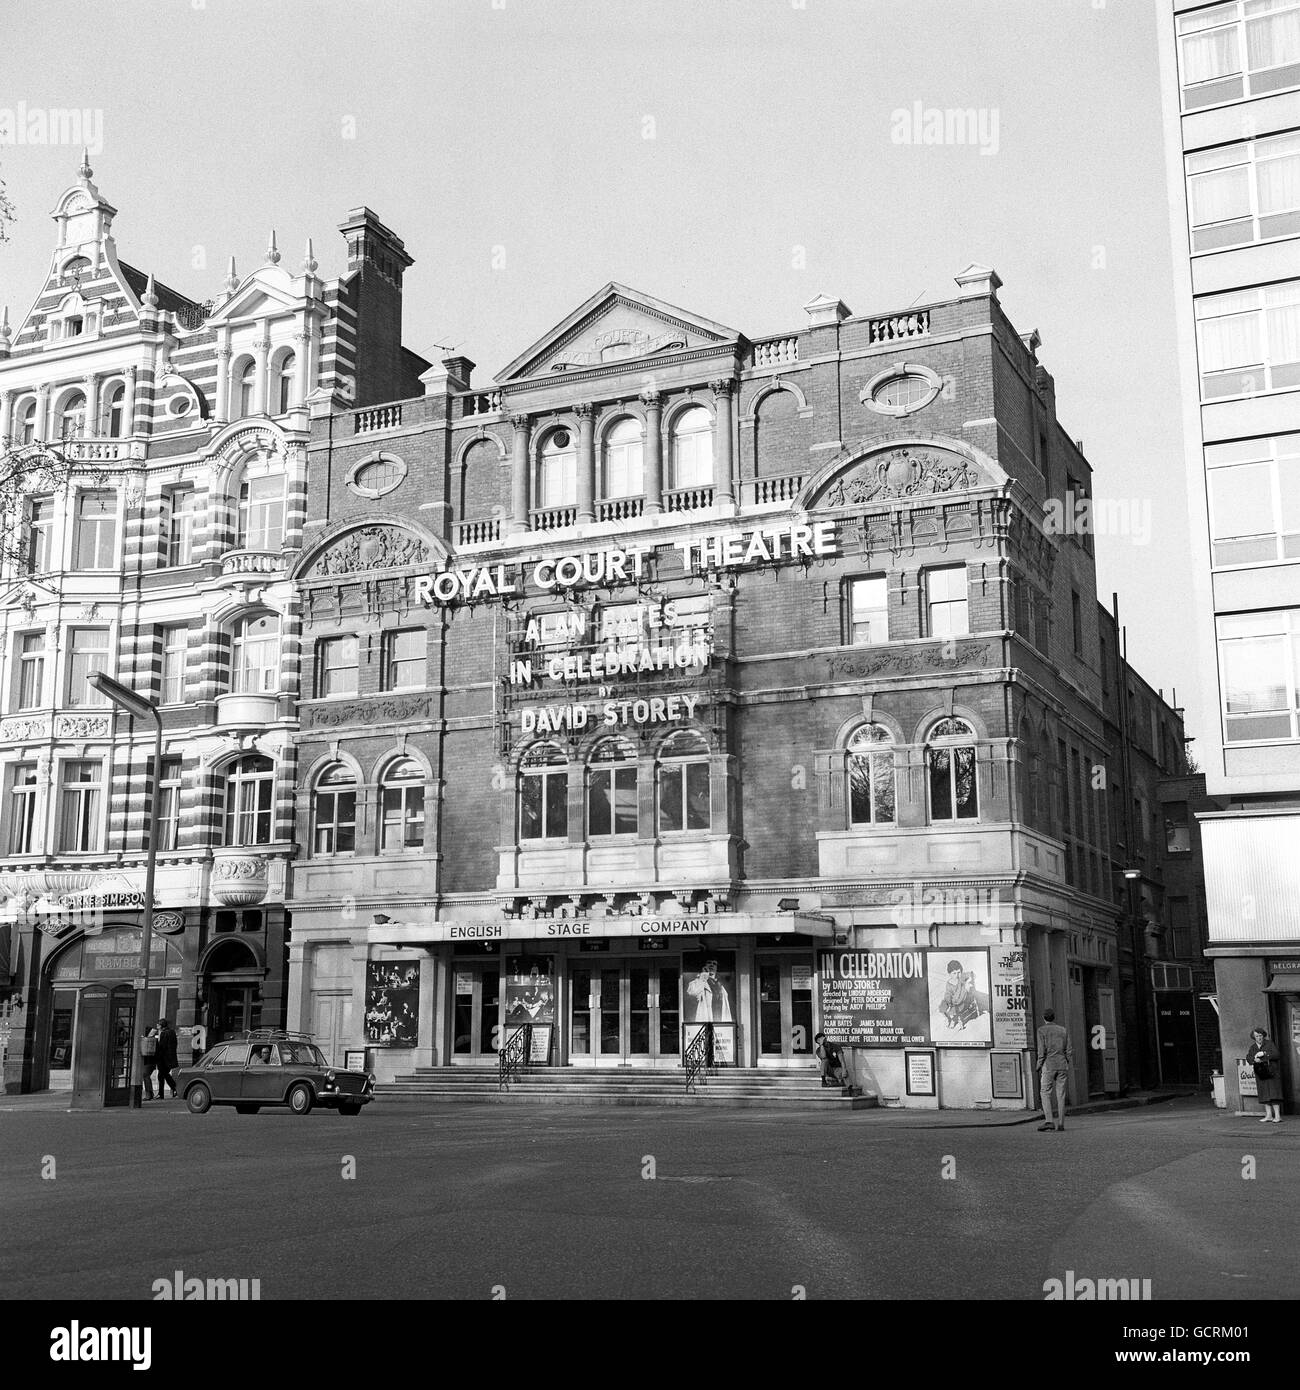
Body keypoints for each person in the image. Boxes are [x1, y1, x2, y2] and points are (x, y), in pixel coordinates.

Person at [1036, 1007, 1072, 1132]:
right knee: (1061, 1095)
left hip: (1049, 1065)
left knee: (1045, 1092)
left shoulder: (1041, 1030)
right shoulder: (1063, 1030)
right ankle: (1061, 1123)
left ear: (1044, 1018)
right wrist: (1066, 1061)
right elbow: (1069, 1050)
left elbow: (1041, 1051)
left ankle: (1049, 1121)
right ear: (1054, 1017)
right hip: (1062, 1065)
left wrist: (1039, 1065)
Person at [1248, 1027, 1283, 1123]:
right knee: (1264, 1094)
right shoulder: (1253, 1047)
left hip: (1272, 1072)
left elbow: (1276, 1055)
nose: (1259, 1038)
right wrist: (1254, 1060)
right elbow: (1248, 1057)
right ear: (1253, 1037)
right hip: (1261, 1073)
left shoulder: (1269, 1044)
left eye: (1260, 1035)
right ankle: (1269, 1115)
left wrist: (1264, 1054)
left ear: (1263, 1035)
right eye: (1256, 1036)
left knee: (1274, 1093)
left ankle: (1278, 1116)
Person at [155, 1019, 179, 1100]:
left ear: (161, 1025)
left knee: (162, 1075)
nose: (157, 1026)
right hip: (171, 1057)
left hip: (163, 1058)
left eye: (158, 1024)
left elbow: (162, 1047)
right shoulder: (172, 1032)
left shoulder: (163, 1033)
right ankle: (172, 1089)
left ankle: (173, 1089)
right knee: (163, 1075)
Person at [140, 1023, 159, 1101]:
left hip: (148, 1062)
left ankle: (149, 1094)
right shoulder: (154, 1040)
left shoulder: (149, 1041)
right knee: (146, 1076)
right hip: (152, 1062)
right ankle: (150, 1093)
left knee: (145, 1075)